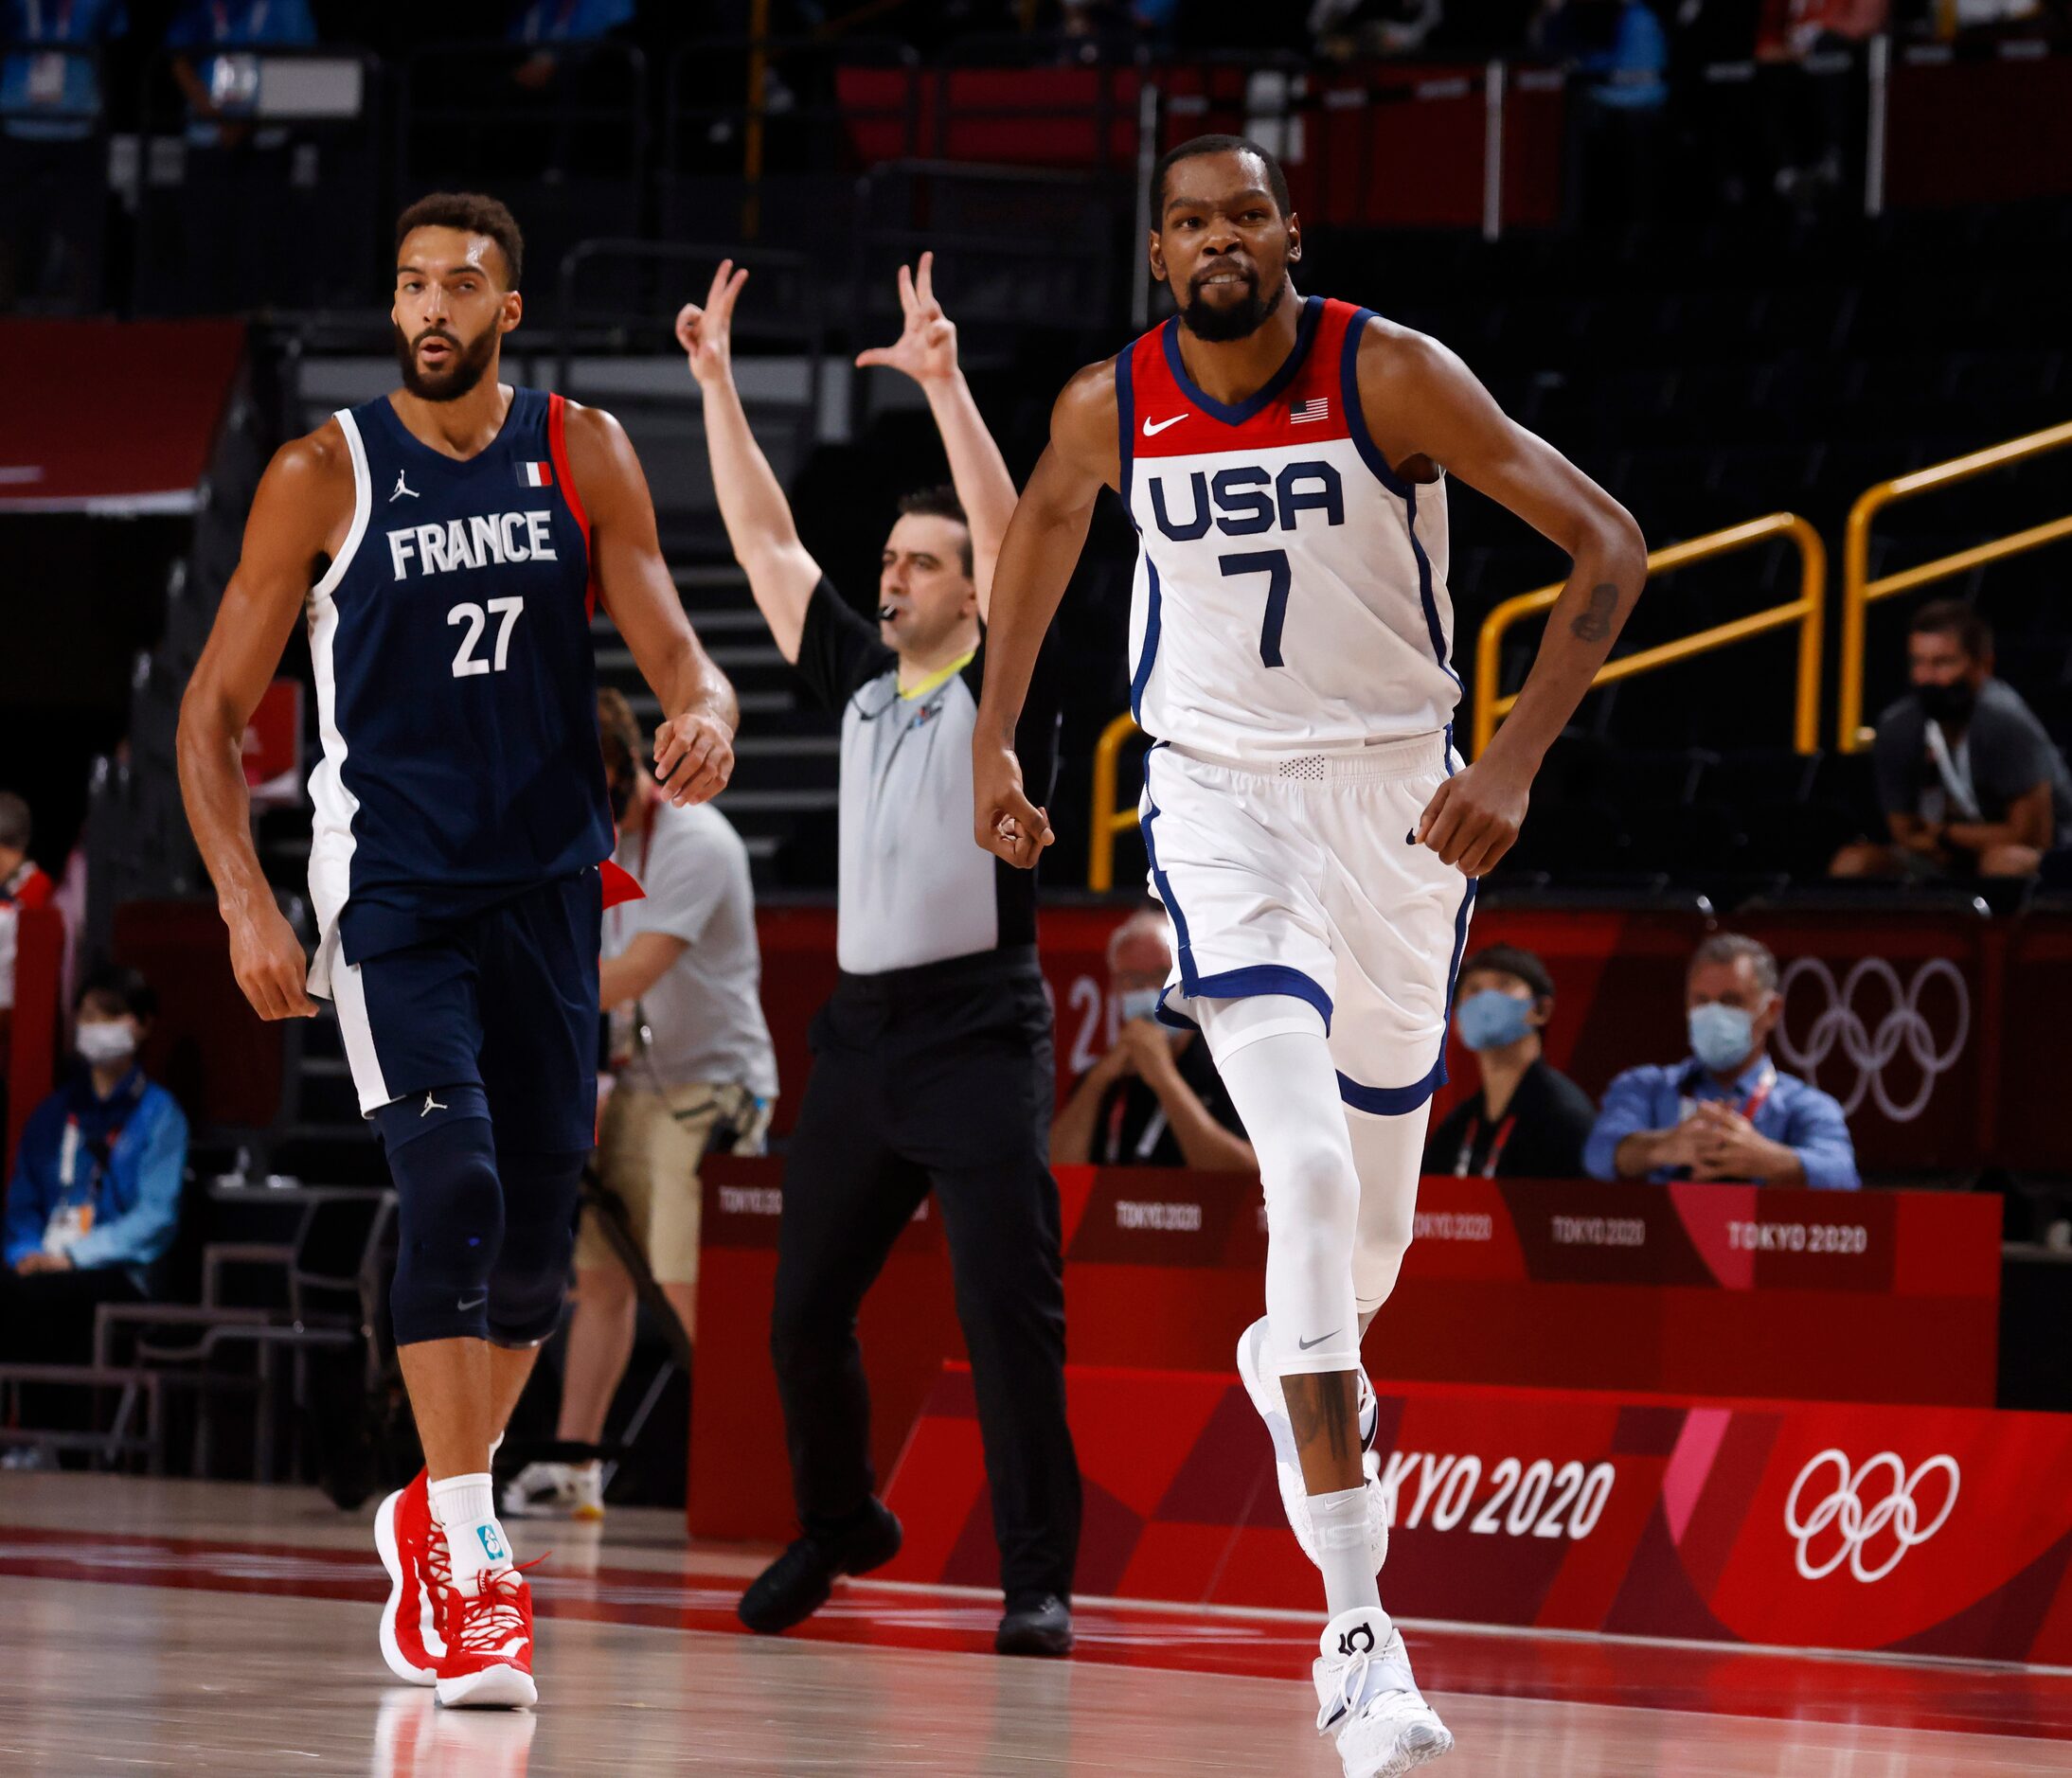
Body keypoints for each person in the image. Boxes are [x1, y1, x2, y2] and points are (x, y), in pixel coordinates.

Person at [972, 133, 1647, 1777]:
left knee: (1371, 1247)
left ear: (1290, 230)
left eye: (1242, 214)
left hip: (1397, 812)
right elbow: (1044, 538)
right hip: (1216, 806)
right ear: (1156, 251)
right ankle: (1358, 1631)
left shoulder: (1388, 372)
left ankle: (1288, 1353)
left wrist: (1510, 763)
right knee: (1309, 1183)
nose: (1216, 239)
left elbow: (1609, 546)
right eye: (1186, 220)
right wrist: (992, 742)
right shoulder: (1101, 402)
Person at [176, 190, 737, 1710]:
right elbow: (210, 718)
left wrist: (709, 710)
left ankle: (439, 1498)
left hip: (551, 890)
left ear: (508, 307)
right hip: (397, 897)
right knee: (458, 1182)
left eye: (462, 285)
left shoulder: (582, 449)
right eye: (412, 281)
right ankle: (477, 1560)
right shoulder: (321, 473)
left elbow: (676, 645)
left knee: (540, 1247)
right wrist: (244, 895)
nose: (431, 306)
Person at [679, 250, 1081, 1657]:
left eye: (920, 562)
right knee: (800, 1321)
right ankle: (844, 1519)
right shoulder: (859, 677)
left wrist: (948, 380)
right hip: (861, 1038)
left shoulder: (1003, 679)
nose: (890, 572)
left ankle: (1038, 1579)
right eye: (892, 560)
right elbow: (767, 545)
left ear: (976, 596)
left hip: (978, 1031)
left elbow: (1017, 524)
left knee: (1006, 1311)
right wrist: (716, 388)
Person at [503, 687, 777, 1522]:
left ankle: (762, 1460)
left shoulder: (694, 840)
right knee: (598, 1279)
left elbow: (626, 976)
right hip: (636, 1083)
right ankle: (578, 1464)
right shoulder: (583, 840)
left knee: (685, 1280)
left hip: (710, 1089)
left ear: (625, 770)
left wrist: (506, 991)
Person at [1, 964, 188, 1461]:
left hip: (117, 1270)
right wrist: (24, 1251)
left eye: (112, 1014)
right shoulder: (52, 1113)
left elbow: (155, 1217)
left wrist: (75, 1257)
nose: (97, 1026)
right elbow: (23, 1200)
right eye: (88, 1015)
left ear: (143, 1023)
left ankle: (58, 1445)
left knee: (52, 1296)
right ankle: (18, 1439)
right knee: (21, 1287)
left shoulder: (160, 1116)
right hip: (41, 1262)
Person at [1584, 932, 1859, 1189]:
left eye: (1730, 1002)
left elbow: (1843, 1175)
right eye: (1701, 1001)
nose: (1713, 1015)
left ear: (1772, 1010)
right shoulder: (1645, 1087)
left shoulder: (1805, 1105)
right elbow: (1597, 1155)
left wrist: (1767, 1160)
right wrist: (1665, 1146)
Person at [1831, 600, 2071, 881]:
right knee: (1854, 863)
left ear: (1984, 665)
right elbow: (1905, 832)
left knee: (2004, 863)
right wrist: (1945, 841)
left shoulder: (2006, 723)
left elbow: (2032, 838)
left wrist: (1944, 833)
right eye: (1918, 662)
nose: (1928, 677)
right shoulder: (1898, 726)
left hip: (2046, 857)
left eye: (1943, 662)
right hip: (1942, 855)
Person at [1051, 908, 1256, 1170]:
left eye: (1161, 976)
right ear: (1115, 989)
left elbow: (1244, 1178)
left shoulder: (1226, 1064)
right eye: (1132, 980)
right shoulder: (1107, 1075)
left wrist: (1164, 1079)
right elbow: (1057, 1173)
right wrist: (1097, 1083)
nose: (1148, 991)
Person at [1422, 944, 1596, 1180]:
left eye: (1504, 984)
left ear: (1541, 1010)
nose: (1485, 999)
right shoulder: (1456, 1127)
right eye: (1473, 989)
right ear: (1457, 1022)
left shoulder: (1564, 1116)